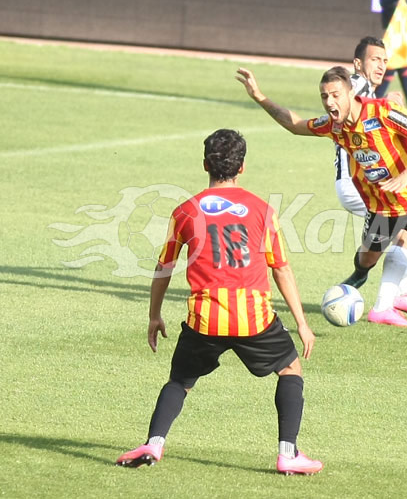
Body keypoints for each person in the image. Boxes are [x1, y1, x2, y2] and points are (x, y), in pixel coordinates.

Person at [116, 129, 322, 475]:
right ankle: (289, 453)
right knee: (290, 369)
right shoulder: (262, 210)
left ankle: (154, 443)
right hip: (254, 319)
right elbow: (281, 269)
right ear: (242, 167)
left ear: (204, 165)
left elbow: (163, 267)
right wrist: (301, 322)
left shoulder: (184, 212)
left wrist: (154, 316)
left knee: (180, 381)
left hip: (204, 319)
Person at [235, 66, 407, 328]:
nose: (329, 102)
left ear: (351, 93)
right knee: (366, 259)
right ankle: (359, 277)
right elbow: (295, 125)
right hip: (384, 207)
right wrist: (259, 96)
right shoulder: (334, 127)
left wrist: (406, 175)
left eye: (336, 95)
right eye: (324, 96)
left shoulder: (385, 113)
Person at [336, 36, 407, 327]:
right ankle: (383, 306)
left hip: (367, 184)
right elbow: (348, 91)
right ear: (357, 64)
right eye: (374, 59)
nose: (381, 65)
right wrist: (387, 102)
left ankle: (398, 293)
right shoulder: (355, 84)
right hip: (359, 185)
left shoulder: (369, 97)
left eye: (384, 61)